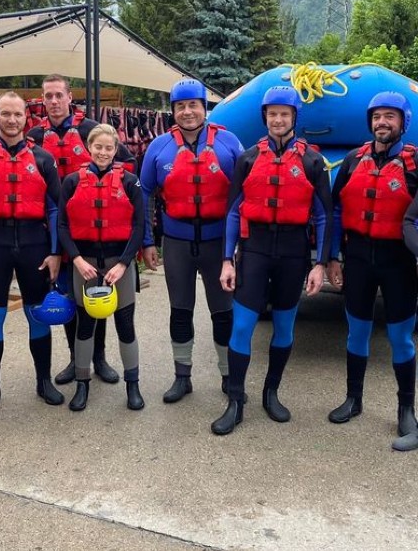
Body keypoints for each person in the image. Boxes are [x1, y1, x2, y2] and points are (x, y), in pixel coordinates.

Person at [212, 85, 332, 435]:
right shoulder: (248, 158)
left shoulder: (312, 161)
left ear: (294, 117)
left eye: (285, 114)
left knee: (284, 328)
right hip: (254, 251)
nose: (278, 119)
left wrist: (320, 263)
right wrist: (226, 260)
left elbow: (324, 216)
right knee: (243, 327)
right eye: (272, 113)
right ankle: (235, 400)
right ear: (264, 116)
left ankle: (271, 392)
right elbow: (233, 213)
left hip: (293, 254)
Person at [27, 74, 136, 386]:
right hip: (57, 232)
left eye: (59, 95)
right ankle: (77, 359)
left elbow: (126, 164)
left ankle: (98, 358)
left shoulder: (90, 130)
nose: (54, 101)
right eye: (48, 96)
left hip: (92, 232)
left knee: (96, 294)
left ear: (69, 96)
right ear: (43, 100)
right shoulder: (35, 135)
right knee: (66, 295)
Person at [140, 79, 243, 403]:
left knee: (222, 312)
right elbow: (144, 194)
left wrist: (237, 246)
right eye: (180, 107)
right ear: (173, 111)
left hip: (218, 244)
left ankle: (228, 376)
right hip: (177, 243)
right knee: (180, 311)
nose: (187, 112)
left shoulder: (228, 143)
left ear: (204, 107)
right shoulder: (159, 147)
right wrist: (147, 241)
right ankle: (182, 376)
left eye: (193, 105)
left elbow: (242, 196)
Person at [325, 92, 418, 449]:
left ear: (402, 122)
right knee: (356, 332)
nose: (382, 122)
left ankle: (406, 409)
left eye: (390, 117)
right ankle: (354, 398)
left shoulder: (413, 165)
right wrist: (332, 256)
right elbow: (334, 212)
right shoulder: (352, 160)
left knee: (400, 339)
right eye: (377, 116)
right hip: (359, 259)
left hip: (399, 262)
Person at [0, 91, 63, 412]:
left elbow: (56, 210)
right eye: (5, 114)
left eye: (17, 114)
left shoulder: (43, 158)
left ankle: (43, 381)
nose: (11, 120)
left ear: (25, 118)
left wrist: (56, 252)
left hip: (35, 245)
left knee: (38, 316)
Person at [58, 124, 145, 411]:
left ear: (116, 149)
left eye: (109, 148)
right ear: (89, 147)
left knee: (125, 326)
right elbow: (62, 225)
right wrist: (77, 259)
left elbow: (139, 226)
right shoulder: (71, 181)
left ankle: (133, 386)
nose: (103, 152)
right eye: (98, 147)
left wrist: (123, 263)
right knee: (85, 327)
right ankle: (82, 384)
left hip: (118, 266)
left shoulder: (131, 182)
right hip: (85, 266)